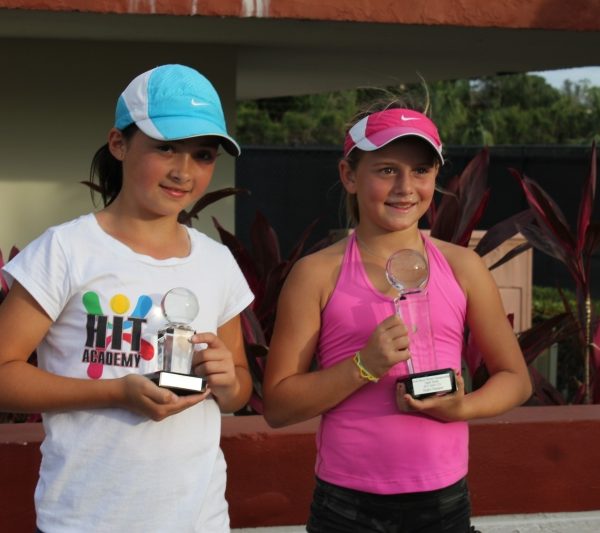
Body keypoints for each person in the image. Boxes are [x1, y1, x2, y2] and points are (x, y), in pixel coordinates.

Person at [0, 64, 254, 532]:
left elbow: (238, 390)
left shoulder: (217, 262)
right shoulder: (65, 250)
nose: (184, 171)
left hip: (199, 520)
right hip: (84, 520)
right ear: (119, 144)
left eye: (203, 155)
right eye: (165, 148)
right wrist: (116, 392)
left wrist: (225, 378)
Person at [262, 100, 532, 532]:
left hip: (444, 503)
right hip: (346, 506)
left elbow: (515, 379)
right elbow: (277, 405)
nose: (406, 186)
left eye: (421, 171)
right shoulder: (316, 273)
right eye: (387, 169)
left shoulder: (463, 267)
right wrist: (362, 367)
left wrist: (462, 407)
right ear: (349, 176)